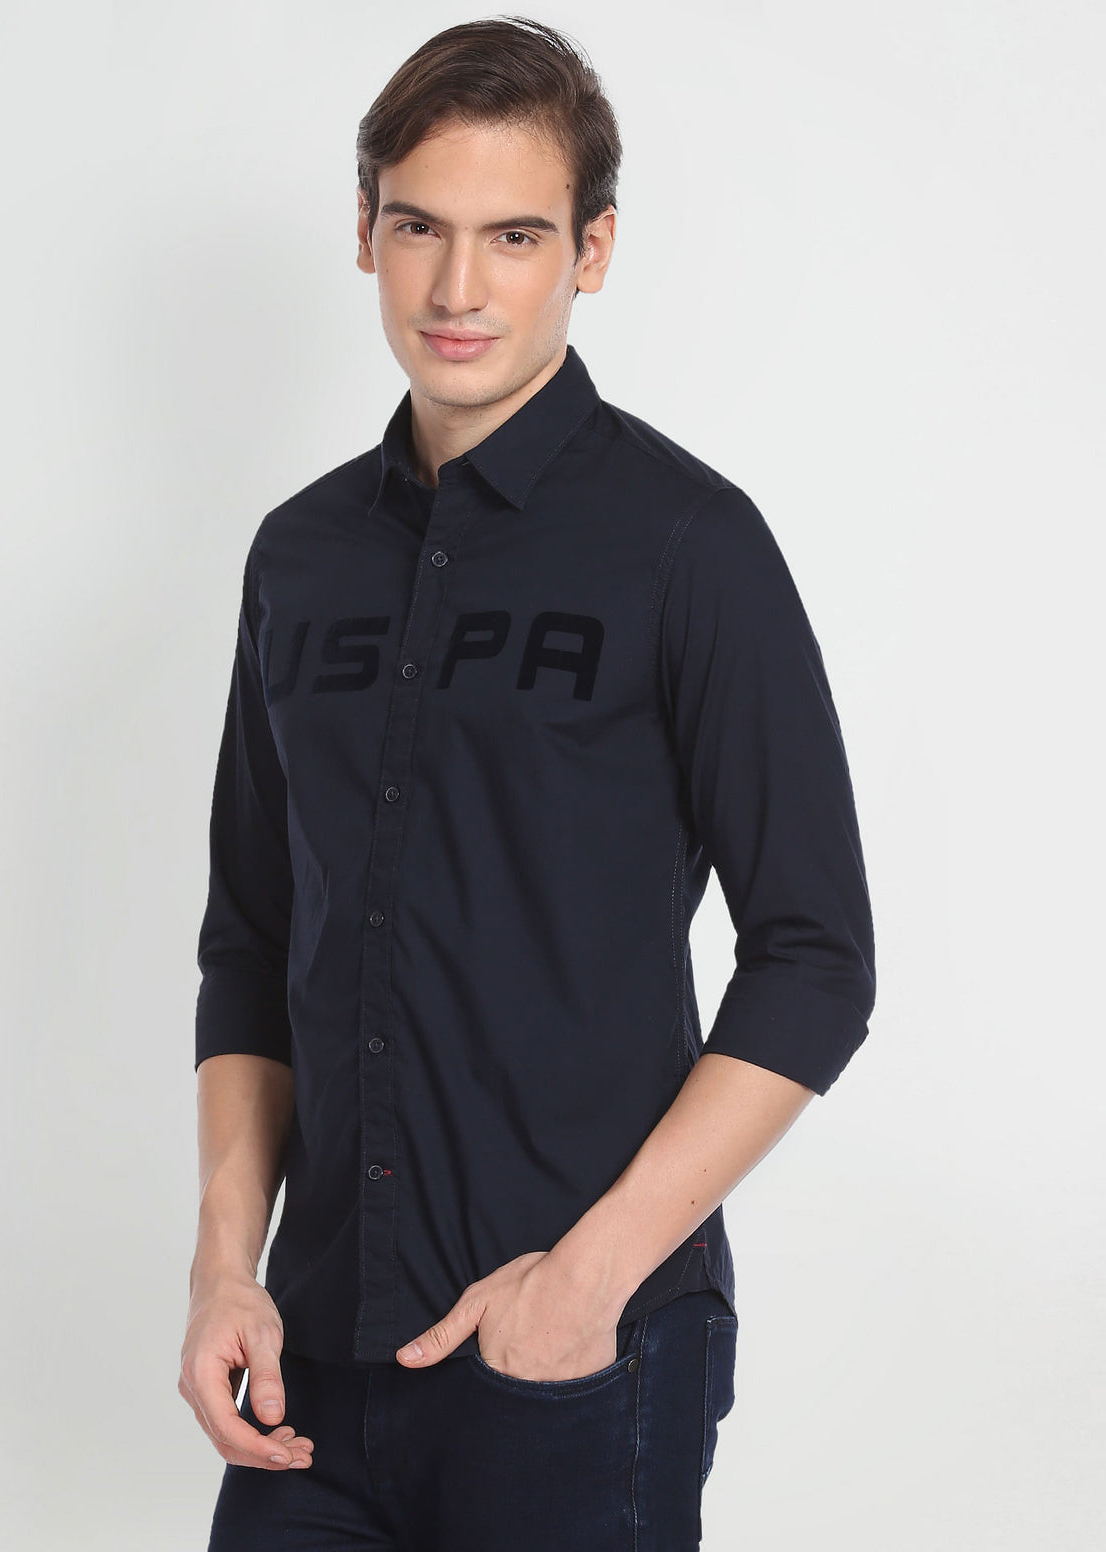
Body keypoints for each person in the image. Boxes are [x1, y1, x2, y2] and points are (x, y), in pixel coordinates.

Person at [180, 15, 876, 1551]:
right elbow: (253, 937)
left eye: (514, 236)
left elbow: (817, 958)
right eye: (418, 227)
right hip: (313, 1358)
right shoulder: (299, 558)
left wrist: (586, 1283)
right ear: (364, 231)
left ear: (592, 249)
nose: (457, 288)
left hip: (577, 1358)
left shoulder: (689, 545)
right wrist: (227, 1266)